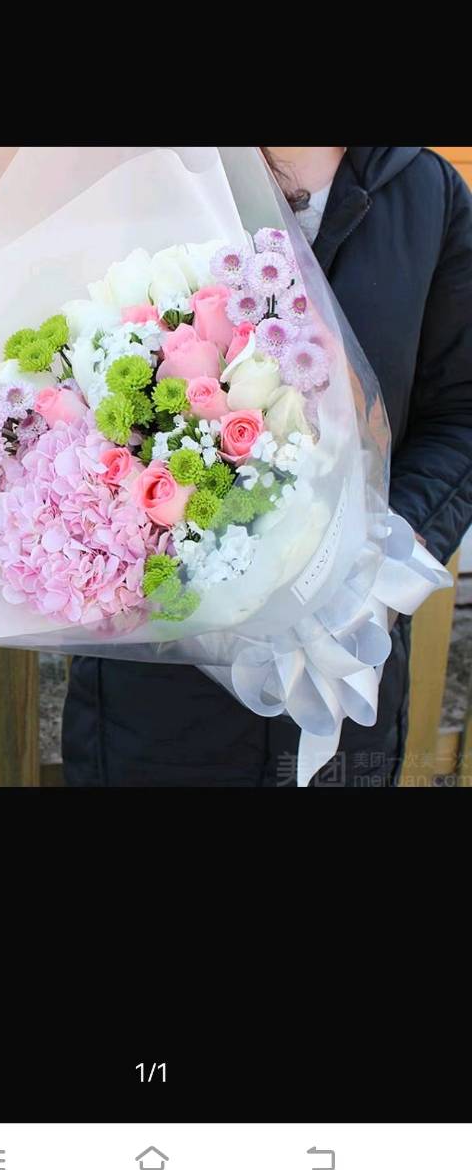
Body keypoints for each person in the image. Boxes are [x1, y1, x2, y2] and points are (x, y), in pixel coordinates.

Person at [62, 147, 472, 788]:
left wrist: (382, 558)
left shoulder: (425, 192)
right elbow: (61, 392)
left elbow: (460, 411)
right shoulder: (145, 174)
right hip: (160, 691)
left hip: (343, 666)